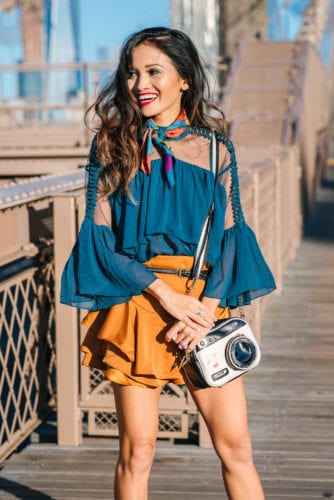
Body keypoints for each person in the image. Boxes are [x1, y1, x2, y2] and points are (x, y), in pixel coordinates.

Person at [61, 27, 276, 500]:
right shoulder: (111, 147)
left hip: (203, 309)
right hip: (141, 305)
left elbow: (231, 238)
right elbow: (100, 244)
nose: (141, 84)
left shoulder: (217, 149)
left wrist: (203, 309)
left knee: (236, 447)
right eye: (133, 73)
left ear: (184, 79)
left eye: (154, 71)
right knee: (138, 452)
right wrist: (167, 296)